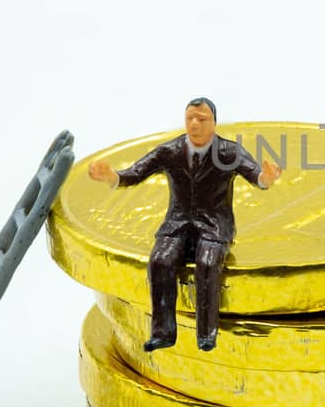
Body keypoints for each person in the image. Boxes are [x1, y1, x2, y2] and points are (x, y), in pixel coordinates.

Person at [88, 97, 281, 352]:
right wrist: (112, 176)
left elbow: (254, 175)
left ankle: (207, 334)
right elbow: (136, 172)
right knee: (159, 261)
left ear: (213, 122)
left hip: (213, 226)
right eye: (190, 118)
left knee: (209, 264)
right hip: (177, 224)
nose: (195, 124)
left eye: (202, 119)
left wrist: (265, 178)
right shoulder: (170, 151)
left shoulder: (229, 152)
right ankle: (163, 333)